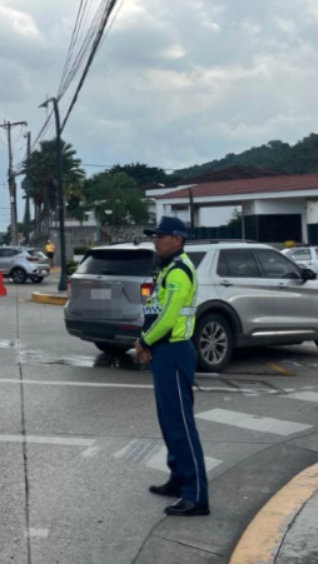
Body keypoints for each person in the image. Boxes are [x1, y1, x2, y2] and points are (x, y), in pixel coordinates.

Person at [134, 216, 210, 517]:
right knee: (169, 423)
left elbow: (167, 317)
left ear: (177, 239)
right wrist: (149, 341)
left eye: (161, 236)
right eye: (155, 236)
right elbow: (156, 309)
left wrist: (144, 341)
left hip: (175, 351)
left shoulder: (179, 272)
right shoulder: (167, 270)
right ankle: (178, 478)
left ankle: (196, 495)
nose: (156, 240)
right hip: (165, 351)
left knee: (181, 425)